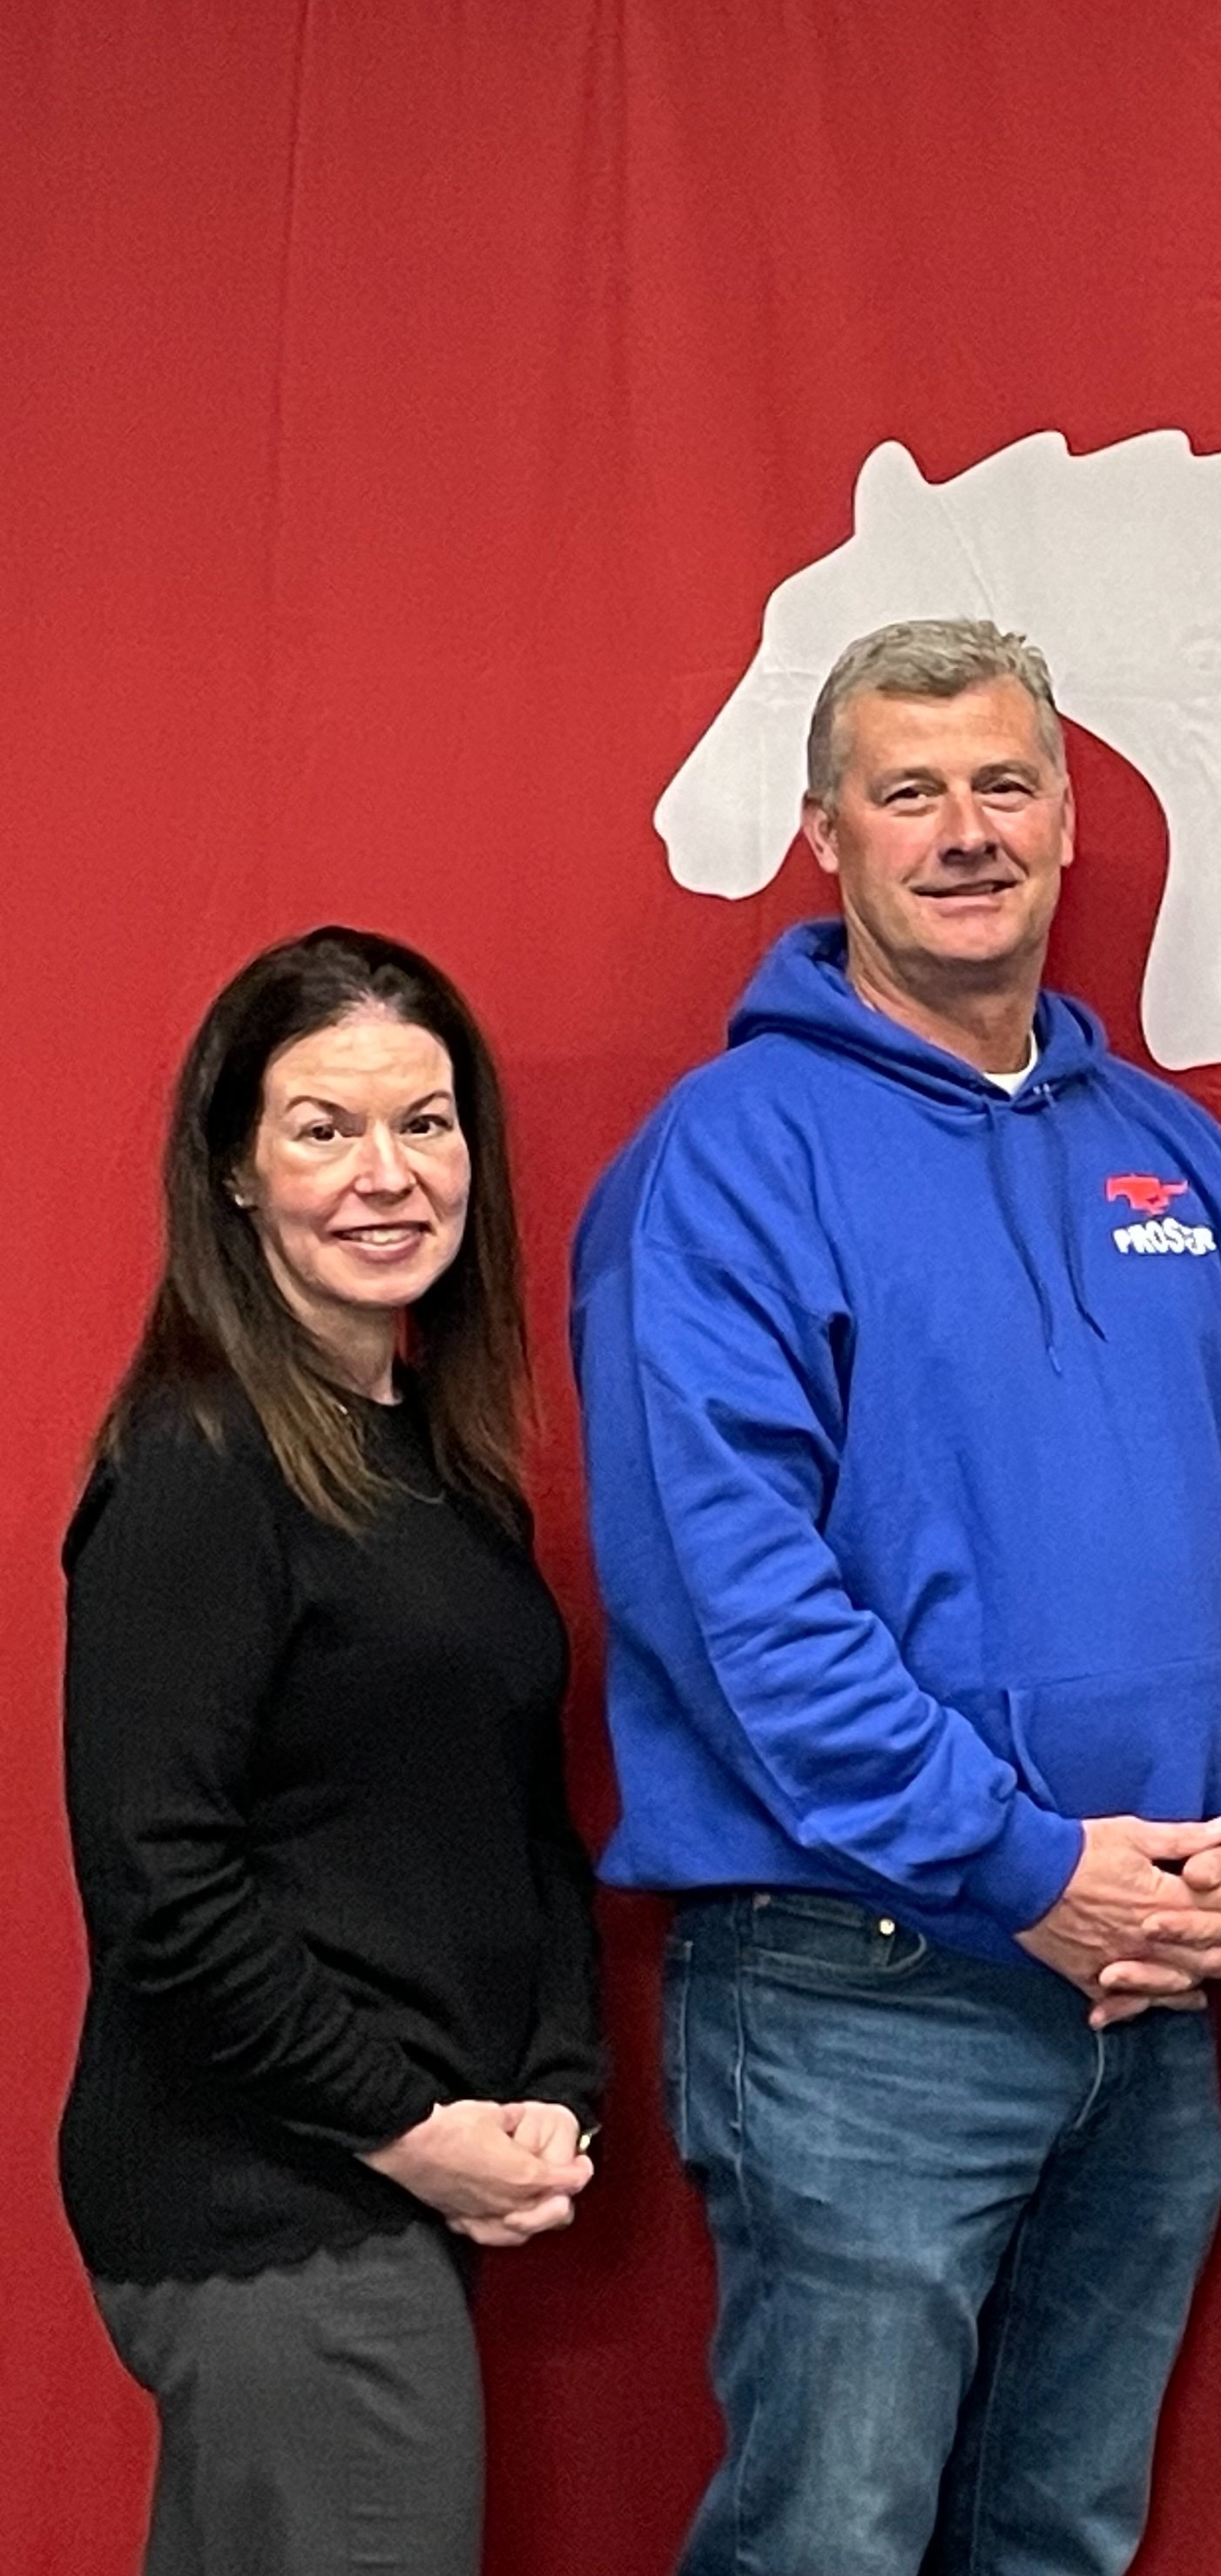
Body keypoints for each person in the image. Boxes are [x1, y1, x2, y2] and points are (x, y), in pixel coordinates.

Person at [572, 617, 1221, 2576]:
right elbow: (738, 1603)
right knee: (829, 2544)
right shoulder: (725, 1162)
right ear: (827, 836)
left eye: (1003, 784)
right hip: (861, 1988)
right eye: (908, 792)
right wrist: (1018, 1863)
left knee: (1057, 2536)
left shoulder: (1175, 1158)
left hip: (1150, 1989)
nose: (964, 831)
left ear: (1069, 819)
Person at [61, 927, 604, 2576]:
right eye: (324, 1127)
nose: (387, 1174)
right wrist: (410, 2127)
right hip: (271, 2205)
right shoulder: (200, 1464)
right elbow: (161, 1884)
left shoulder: (440, 1468)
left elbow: (516, 1818)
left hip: (386, 2191)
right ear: (236, 1171)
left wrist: (553, 2091)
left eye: (424, 1123)